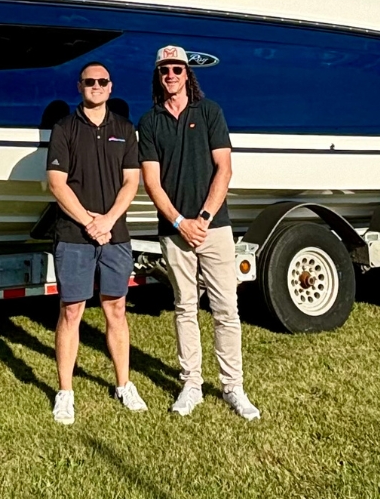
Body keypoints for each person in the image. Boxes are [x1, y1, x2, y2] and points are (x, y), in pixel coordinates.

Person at [138, 45, 260, 420]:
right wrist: (180, 222)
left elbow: (224, 169)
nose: (171, 75)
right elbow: (151, 183)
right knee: (184, 307)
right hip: (174, 231)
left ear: (188, 74)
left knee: (226, 308)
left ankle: (233, 387)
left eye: (177, 69)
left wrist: (203, 218)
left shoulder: (210, 113)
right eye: (165, 70)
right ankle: (191, 384)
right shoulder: (150, 122)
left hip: (215, 227)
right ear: (158, 76)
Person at [43, 61, 146, 425]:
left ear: (111, 85)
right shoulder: (64, 128)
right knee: (71, 312)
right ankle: (65, 392)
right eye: (90, 82)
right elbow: (57, 184)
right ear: (80, 86)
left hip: (115, 234)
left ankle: (124, 384)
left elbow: (131, 182)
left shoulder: (124, 129)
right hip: (74, 235)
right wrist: (89, 222)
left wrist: (108, 221)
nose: (97, 86)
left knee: (116, 309)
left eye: (103, 81)